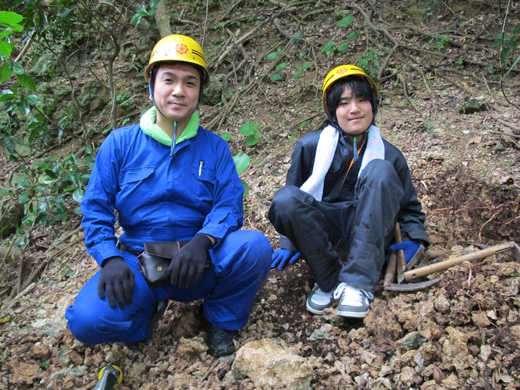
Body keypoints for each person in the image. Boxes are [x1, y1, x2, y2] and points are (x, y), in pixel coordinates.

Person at [65, 34, 272, 357]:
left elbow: (229, 204)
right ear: (152, 85)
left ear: (199, 92)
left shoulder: (214, 148)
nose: (179, 91)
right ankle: (143, 319)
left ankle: (219, 319)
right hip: (139, 261)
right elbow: (95, 209)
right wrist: (109, 257)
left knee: (254, 246)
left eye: (190, 82)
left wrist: (204, 241)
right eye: (169, 80)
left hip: (199, 260)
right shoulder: (119, 144)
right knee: (85, 321)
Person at [268, 65, 429, 318]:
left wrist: (414, 240)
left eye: (362, 100)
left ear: (373, 105)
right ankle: (329, 279)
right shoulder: (310, 146)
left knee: (380, 170)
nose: (354, 109)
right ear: (332, 111)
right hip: (324, 234)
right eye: (344, 103)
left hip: (369, 236)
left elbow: (409, 209)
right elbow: (295, 197)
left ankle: (357, 282)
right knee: (284, 198)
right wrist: (289, 243)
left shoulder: (390, 156)